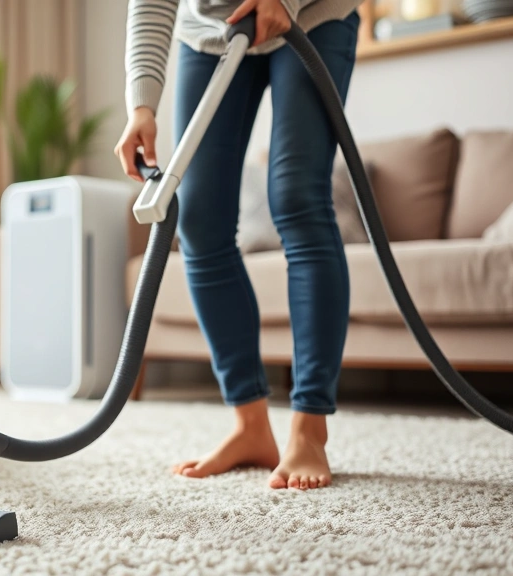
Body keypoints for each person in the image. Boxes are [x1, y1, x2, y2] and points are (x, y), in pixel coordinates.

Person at [114, 0, 363, 490]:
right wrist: (141, 104)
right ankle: (250, 426)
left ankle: (309, 428)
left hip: (312, 13)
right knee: (200, 221)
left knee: (297, 199)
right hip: (209, 32)